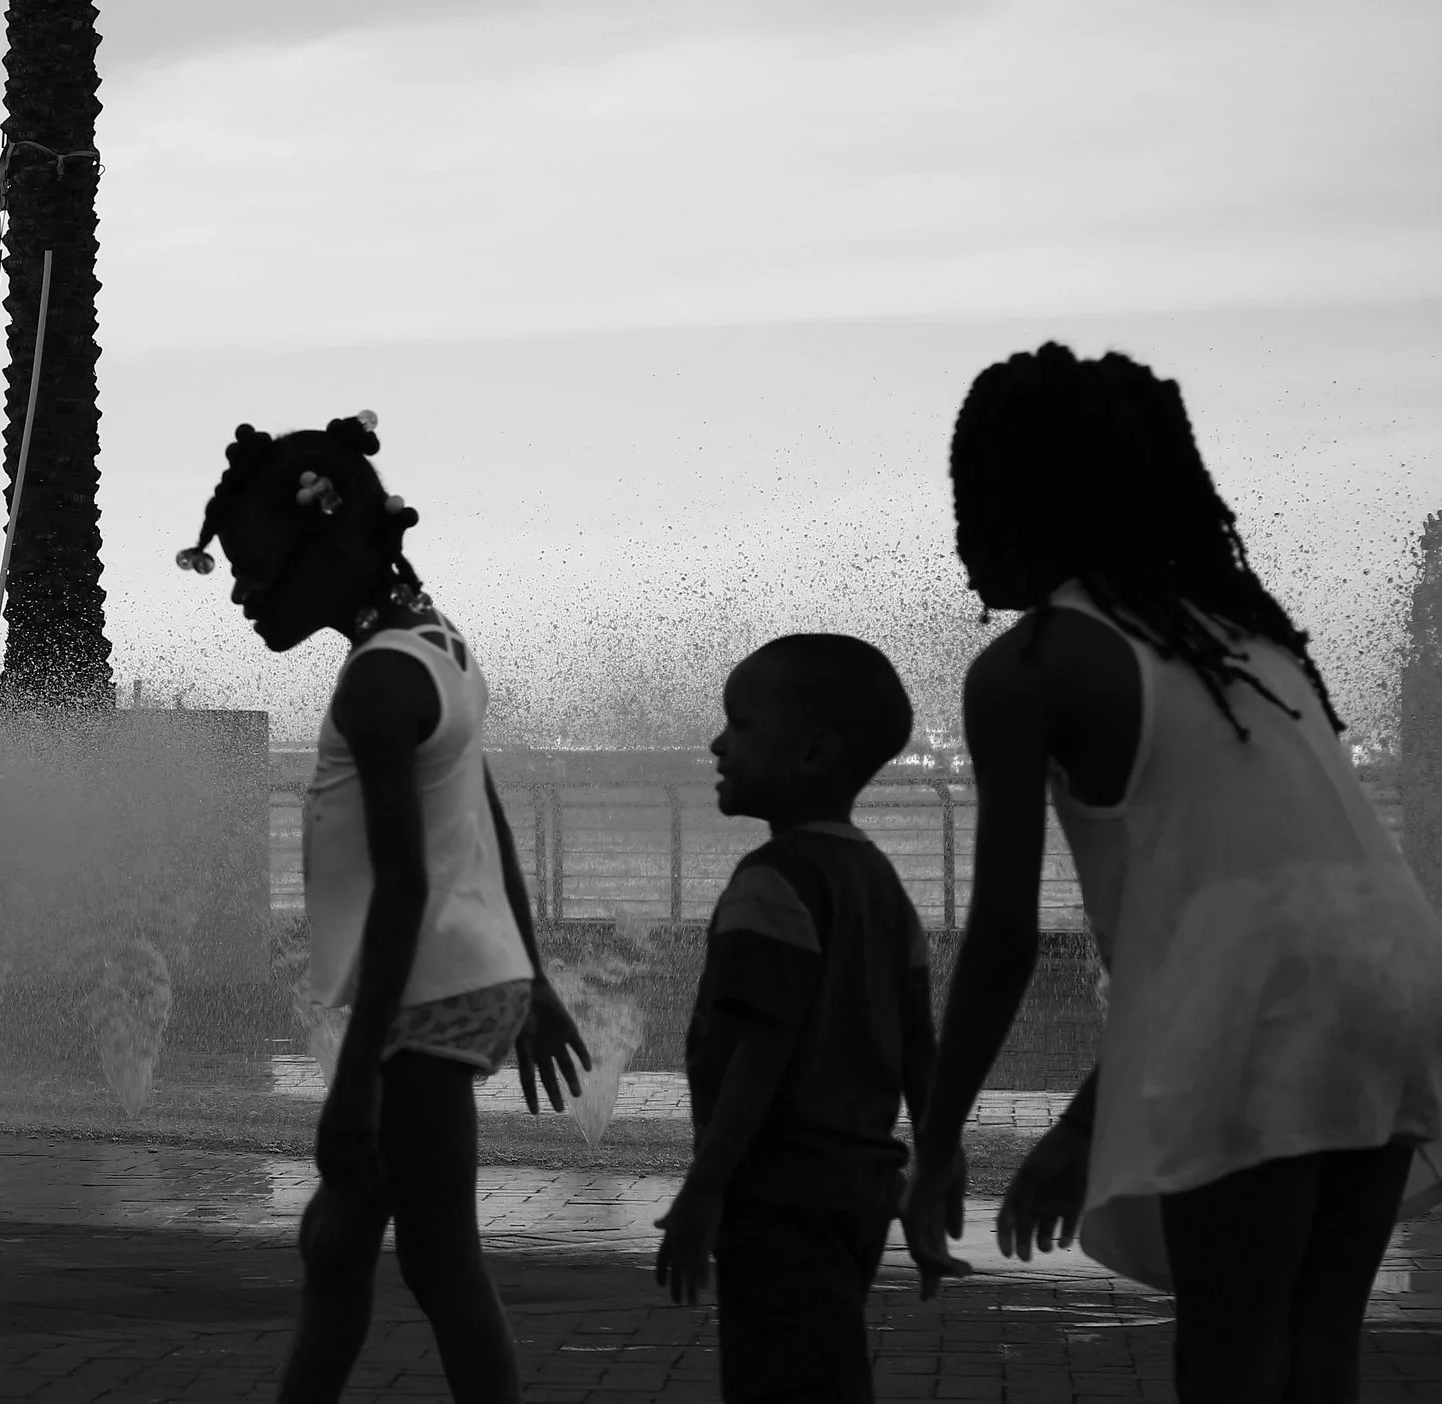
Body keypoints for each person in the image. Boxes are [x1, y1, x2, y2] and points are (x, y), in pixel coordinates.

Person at [902, 342, 1442, 1402]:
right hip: (1401, 983)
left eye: (973, 496)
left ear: (1036, 502)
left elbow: (1005, 937)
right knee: (1317, 1348)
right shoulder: (1251, 643)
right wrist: (1080, 1124)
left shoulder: (1029, 667)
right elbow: (1245, 924)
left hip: (1256, 1002)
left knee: (1230, 1360)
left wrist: (936, 1141)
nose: (961, 535)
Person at [178, 413, 592, 1404]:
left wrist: (354, 1083)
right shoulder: (433, 644)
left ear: (325, 546)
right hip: (452, 982)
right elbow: (479, 816)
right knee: (340, 1243)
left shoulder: (378, 684)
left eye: (252, 564)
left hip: (424, 998)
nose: (239, 590)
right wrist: (526, 976)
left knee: (440, 1261)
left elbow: (407, 886)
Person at [653, 634, 941, 1402]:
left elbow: (760, 1051)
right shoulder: (881, 883)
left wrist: (704, 1189)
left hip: (776, 1189)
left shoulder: (771, 882)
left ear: (812, 753)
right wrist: (937, 1167)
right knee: (826, 1361)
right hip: (860, 1187)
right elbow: (921, 1048)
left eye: (740, 724)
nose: (718, 742)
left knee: (776, 1375)